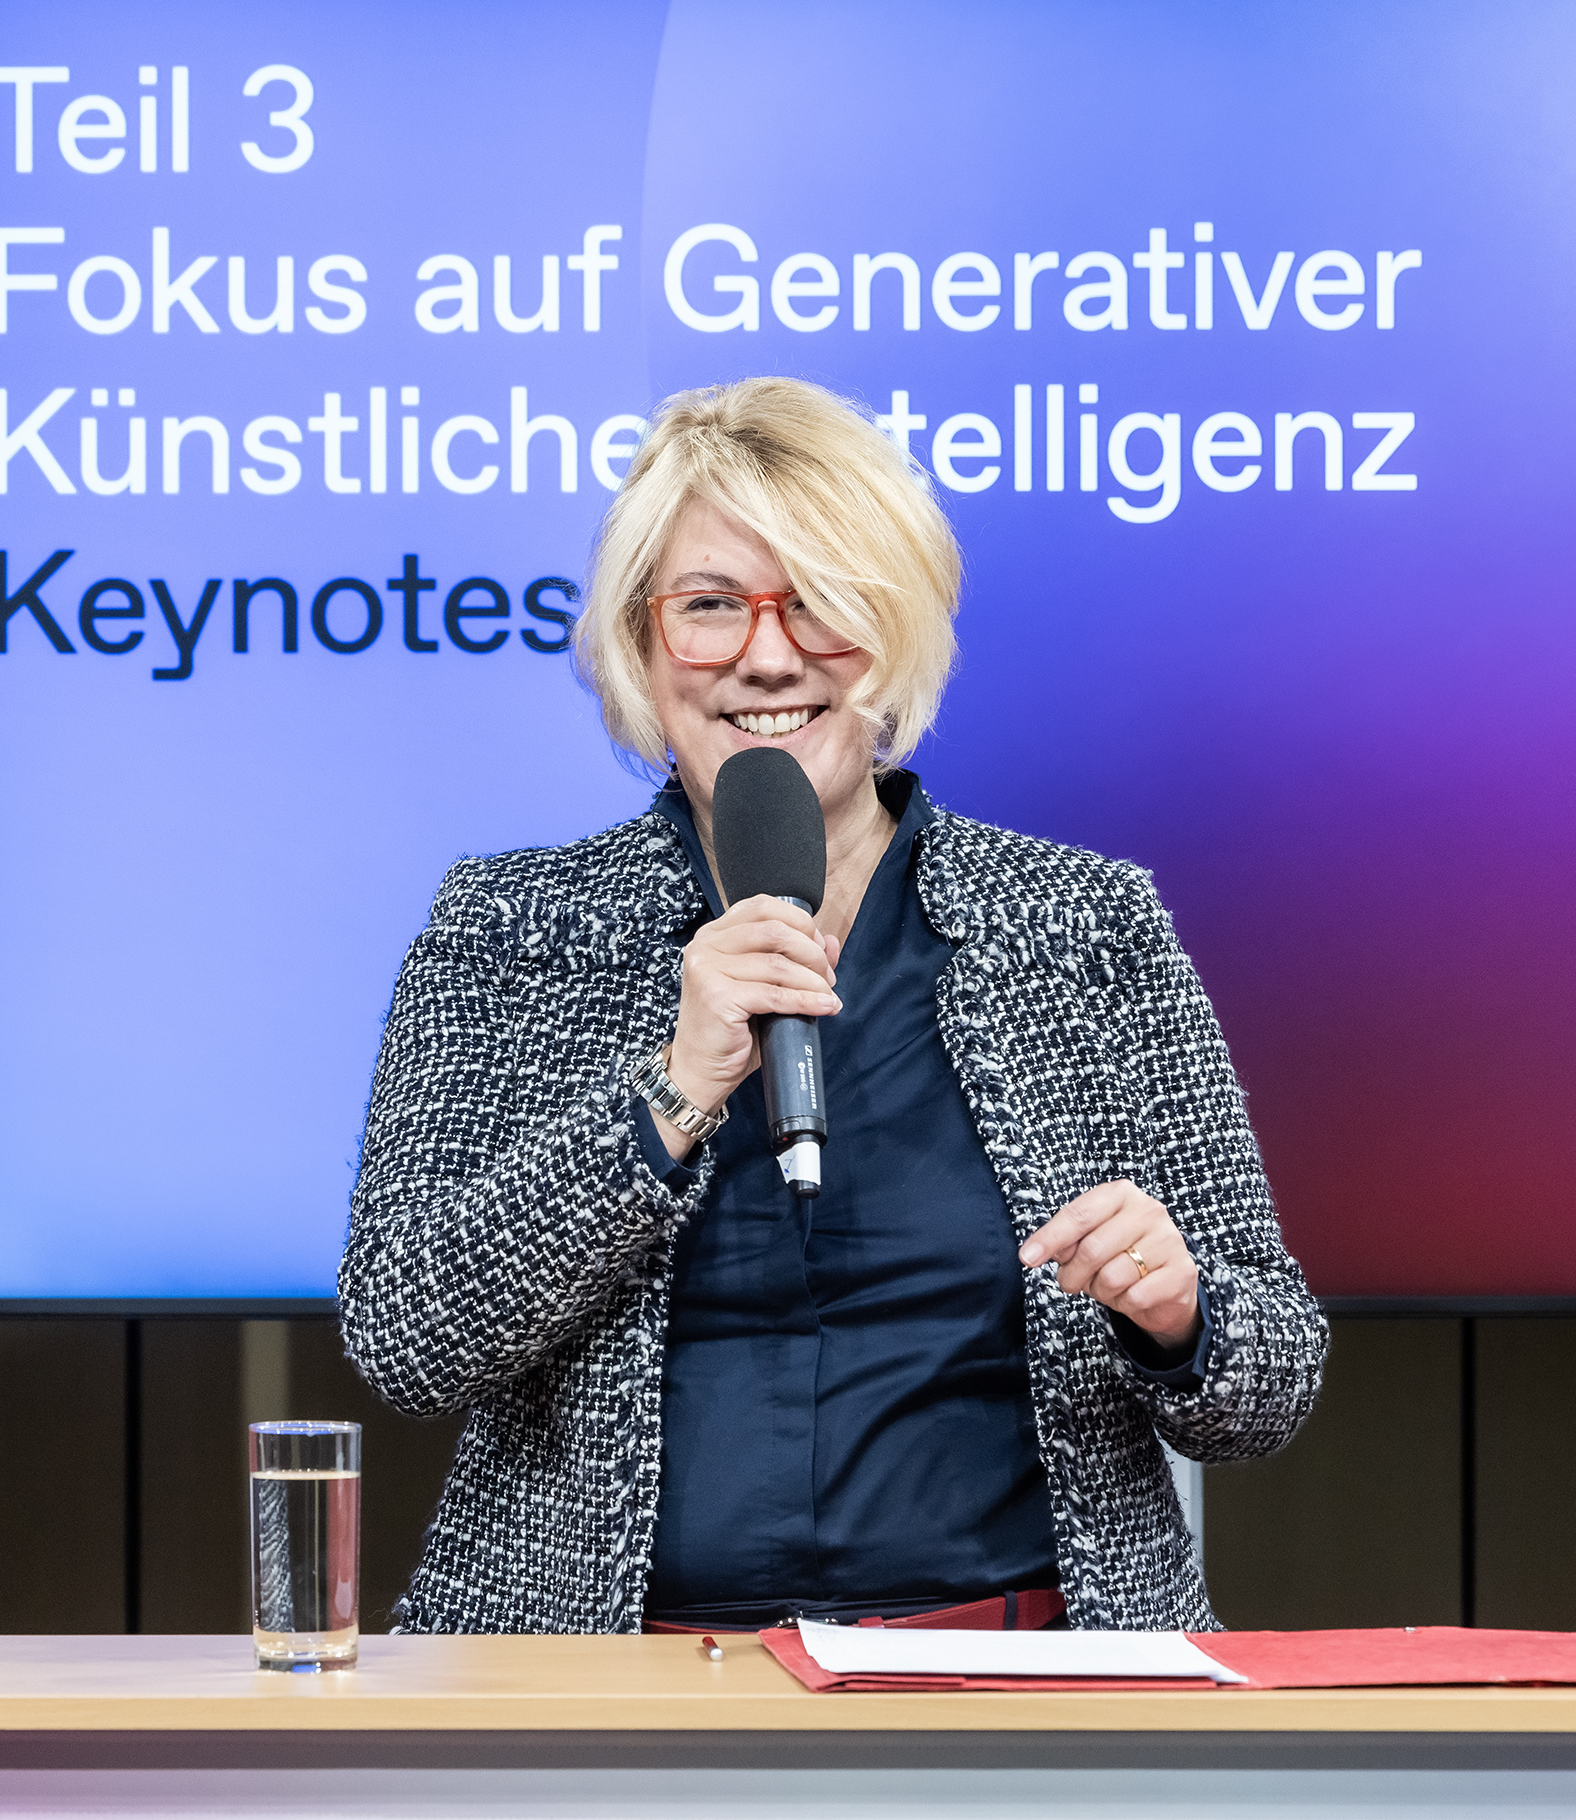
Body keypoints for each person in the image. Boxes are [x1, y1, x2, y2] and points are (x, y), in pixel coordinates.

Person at [338, 376, 1324, 1635]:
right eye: (708, 606)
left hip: (1020, 1683)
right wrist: (667, 1097)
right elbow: (407, 1338)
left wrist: (1177, 1313)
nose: (766, 654)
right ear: (640, 644)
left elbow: (1268, 1385)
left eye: (816, 601)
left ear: (895, 629)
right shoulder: (511, 931)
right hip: (600, 1691)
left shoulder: (1084, 927)